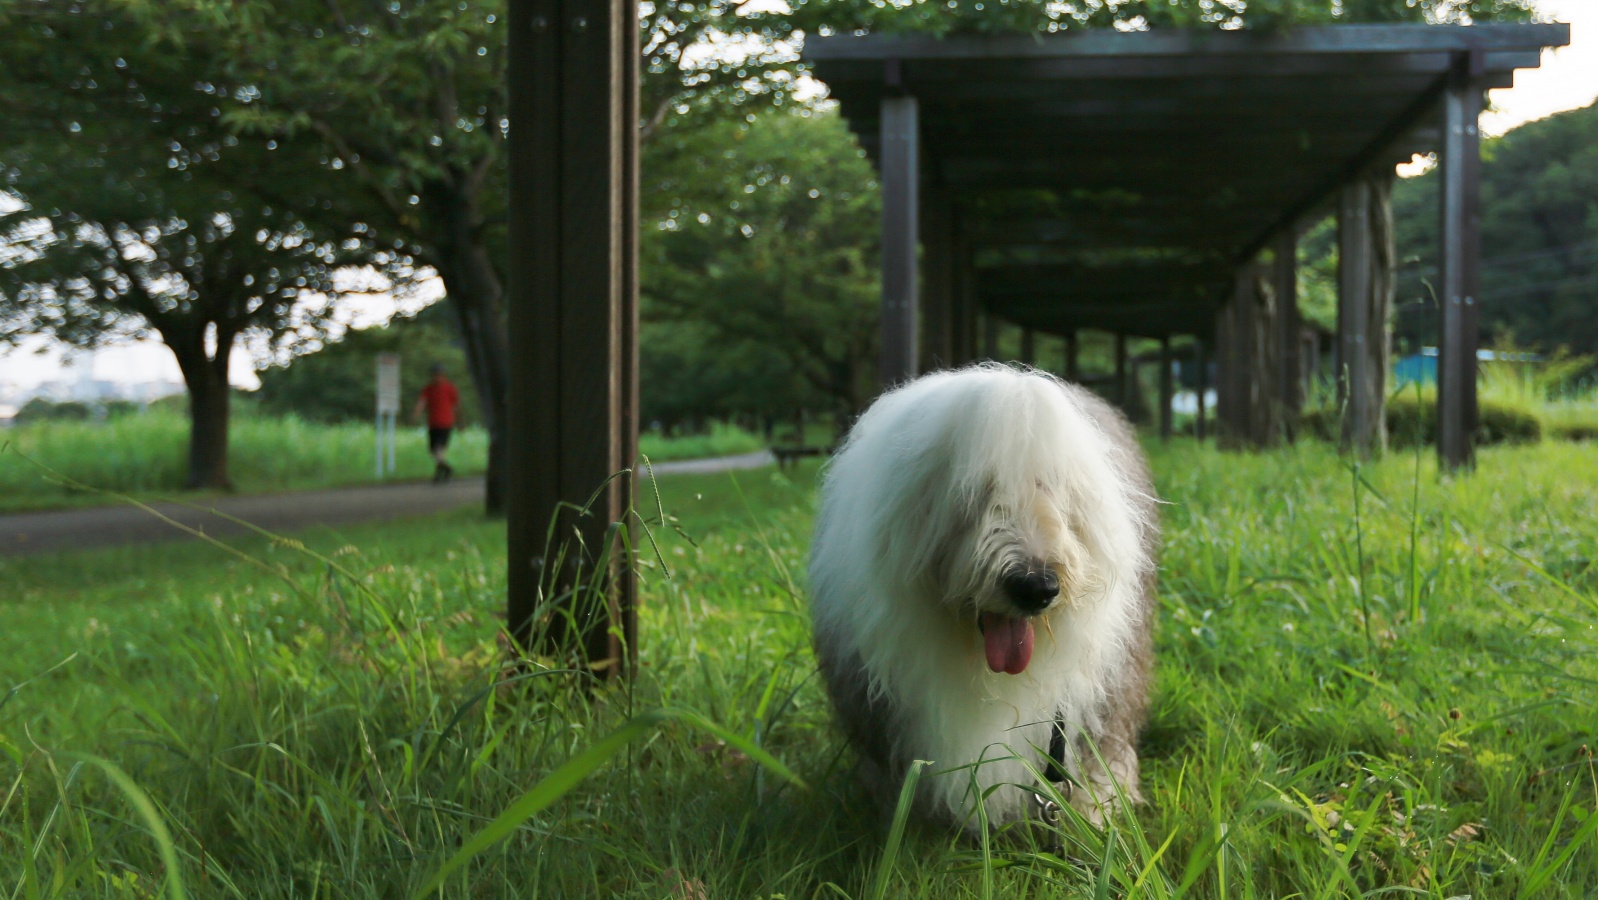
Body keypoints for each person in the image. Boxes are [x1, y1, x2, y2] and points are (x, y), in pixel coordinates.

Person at [412, 363, 460, 483]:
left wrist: (459, 421)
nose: (437, 377)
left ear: (443, 375)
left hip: (446, 423)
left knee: (440, 447)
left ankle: (439, 473)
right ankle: (446, 468)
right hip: (433, 423)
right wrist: (415, 414)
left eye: (439, 375)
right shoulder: (429, 389)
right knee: (433, 449)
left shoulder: (450, 388)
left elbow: (456, 406)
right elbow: (422, 402)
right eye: (435, 375)